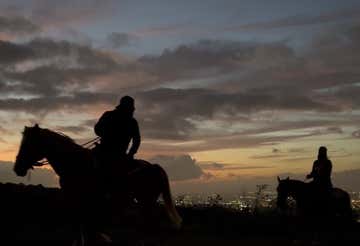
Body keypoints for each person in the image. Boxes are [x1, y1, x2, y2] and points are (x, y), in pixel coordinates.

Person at [94, 95, 141, 173]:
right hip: (118, 154)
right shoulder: (132, 122)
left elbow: (97, 130)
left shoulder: (108, 115)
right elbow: (137, 140)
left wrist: (131, 153)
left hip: (106, 152)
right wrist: (131, 154)